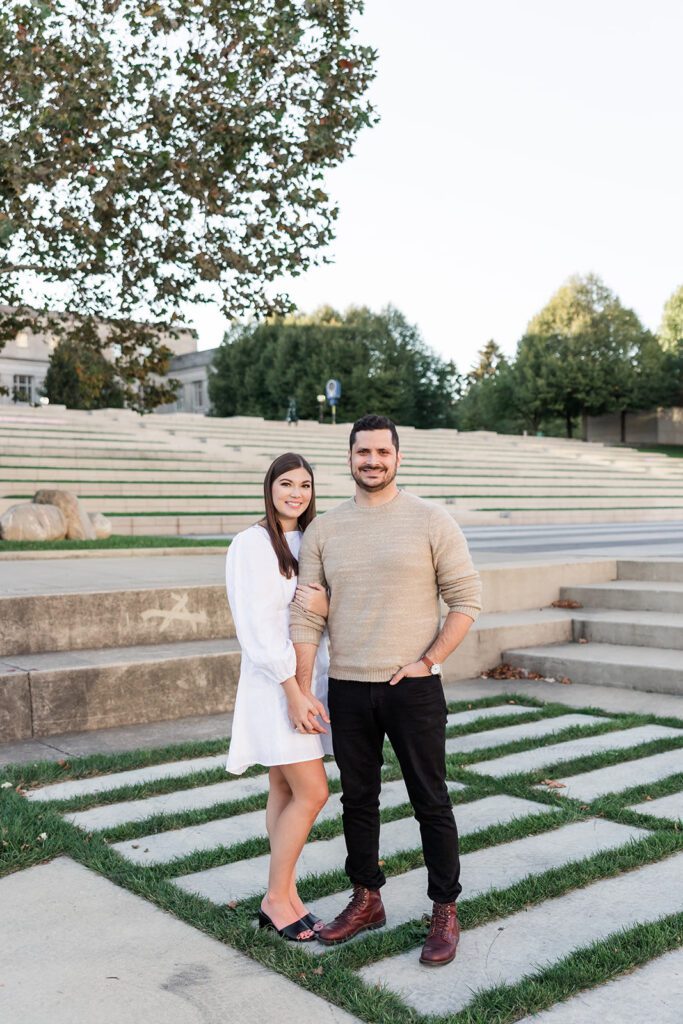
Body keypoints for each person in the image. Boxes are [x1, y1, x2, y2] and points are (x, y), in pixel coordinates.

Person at [289, 414, 482, 965]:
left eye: (381, 452)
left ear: (397, 457)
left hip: (412, 689)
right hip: (348, 686)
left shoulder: (429, 519)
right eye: (362, 453)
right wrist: (304, 689)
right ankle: (367, 897)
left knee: (431, 800)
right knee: (359, 802)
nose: (372, 461)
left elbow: (466, 598)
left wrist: (430, 661)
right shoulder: (324, 529)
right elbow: (306, 617)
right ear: (349, 458)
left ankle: (445, 908)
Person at [225, 452, 332, 942]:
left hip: (304, 679)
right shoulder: (250, 544)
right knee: (314, 791)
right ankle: (274, 897)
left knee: (285, 789)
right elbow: (256, 627)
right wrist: (292, 690)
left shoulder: (311, 539)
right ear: (269, 488)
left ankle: (286, 896)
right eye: (286, 483)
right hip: (275, 685)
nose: (296, 493)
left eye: (305, 485)